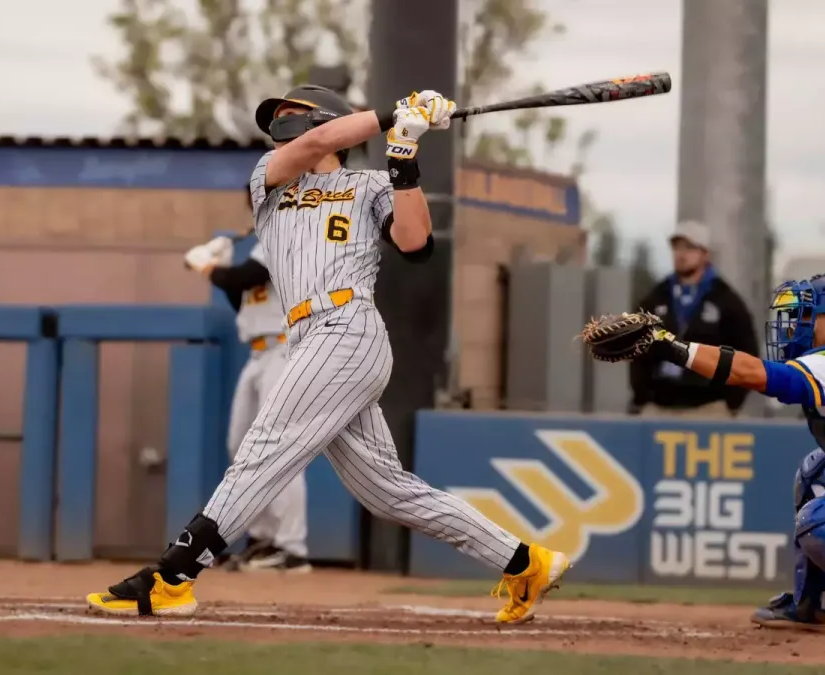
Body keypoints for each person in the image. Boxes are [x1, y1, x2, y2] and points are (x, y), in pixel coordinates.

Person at [86, 84, 569, 622]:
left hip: (347, 325)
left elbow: (415, 243)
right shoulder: (270, 179)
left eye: (293, 112)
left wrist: (405, 150)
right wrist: (394, 113)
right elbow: (315, 143)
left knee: (263, 449)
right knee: (387, 492)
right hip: (308, 337)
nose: (282, 121)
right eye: (279, 116)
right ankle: (525, 562)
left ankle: (173, 576)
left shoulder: (369, 184)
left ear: (328, 115)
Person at [613, 273, 825, 638]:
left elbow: (753, 374)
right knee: (819, 474)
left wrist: (672, 347)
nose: (795, 326)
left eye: (808, 316)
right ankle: (816, 605)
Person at [181, 197, 311, 574]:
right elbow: (242, 299)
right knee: (241, 446)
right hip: (257, 354)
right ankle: (262, 538)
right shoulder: (263, 239)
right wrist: (219, 268)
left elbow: (246, 277)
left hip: (284, 350)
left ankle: (292, 546)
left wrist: (209, 267)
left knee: (280, 448)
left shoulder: (287, 233)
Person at [629, 220, 759, 418]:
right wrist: (642, 395)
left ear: (705, 254)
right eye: (677, 247)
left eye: (689, 248)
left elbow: (747, 352)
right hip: (659, 406)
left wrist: (731, 402)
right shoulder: (657, 297)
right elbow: (636, 347)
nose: (681, 254)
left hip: (708, 407)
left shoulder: (725, 300)